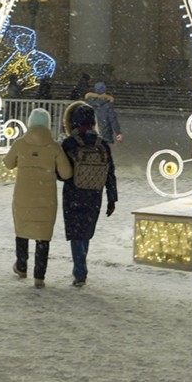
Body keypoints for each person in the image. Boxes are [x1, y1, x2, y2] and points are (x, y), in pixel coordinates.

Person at [9, 107, 72, 287]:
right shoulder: (54, 147)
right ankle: (39, 276)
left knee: (22, 230)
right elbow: (66, 173)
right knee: (43, 235)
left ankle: (21, 266)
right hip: (46, 199)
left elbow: (7, 163)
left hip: (22, 198)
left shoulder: (20, 144)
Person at [61, 103, 117, 286]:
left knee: (75, 232)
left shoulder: (69, 143)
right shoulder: (102, 145)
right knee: (86, 231)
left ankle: (80, 270)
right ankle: (81, 264)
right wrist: (112, 198)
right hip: (95, 194)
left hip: (73, 193)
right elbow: (110, 173)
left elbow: (62, 173)